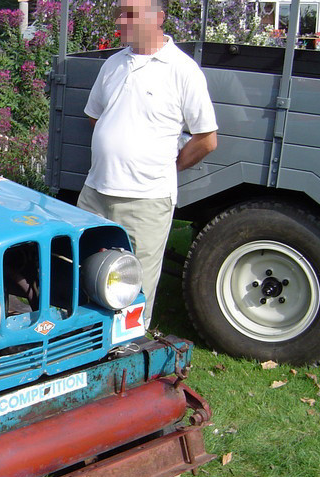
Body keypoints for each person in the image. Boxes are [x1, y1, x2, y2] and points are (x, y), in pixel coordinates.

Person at [77, 0, 218, 328]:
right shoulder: (113, 63)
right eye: (119, 13)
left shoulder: (182, 70)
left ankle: (128, 355)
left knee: (134, 287)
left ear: (158, 18)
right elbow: (95, 117)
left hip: (146, 200)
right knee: (86, 275)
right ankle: (83, 346)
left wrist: (165, 166)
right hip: (95, 191)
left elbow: (206, 139)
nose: (120, 20)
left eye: (130, 13)